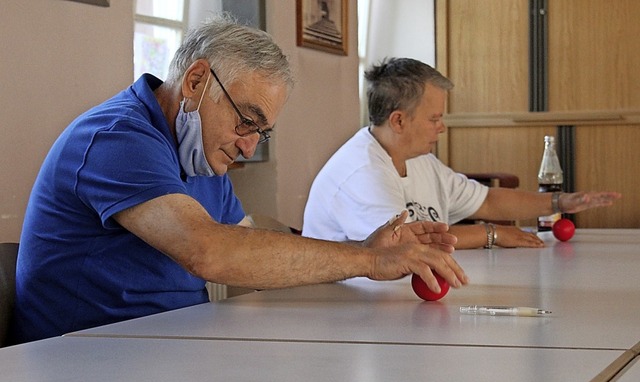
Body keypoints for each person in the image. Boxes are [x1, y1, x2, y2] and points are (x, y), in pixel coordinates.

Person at [12, 19, 468, 345]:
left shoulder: (202, 152)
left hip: (167, 348)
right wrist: (365, 260)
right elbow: (210, 251)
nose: (249, 147)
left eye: (261, 132)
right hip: (82, 363)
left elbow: (249, 248)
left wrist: (367, 246)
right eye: (246, 122)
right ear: (195, 81)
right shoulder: (117, 138)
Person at [302, 57, 621, 249]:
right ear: (398, 120)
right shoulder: (363, 172)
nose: (441, 128)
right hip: (350, 313)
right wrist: (491, 234)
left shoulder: (421, 160)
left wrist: (560, 202)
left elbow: (487, 200)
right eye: (434, 119)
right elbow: (405, 242)